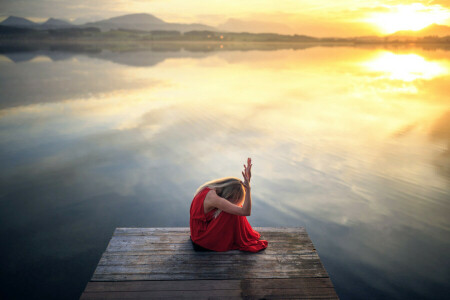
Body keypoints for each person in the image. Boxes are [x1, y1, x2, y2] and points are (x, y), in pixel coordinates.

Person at [189, 158, 268, 252]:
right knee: (235, 212)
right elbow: (245, 212)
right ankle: (240, 239)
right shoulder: (213, 199)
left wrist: (247, 182)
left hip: (198, 233)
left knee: (235, 209)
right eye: (235, 198)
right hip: (202, 240)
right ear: (230, 194)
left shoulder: (210, 190)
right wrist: (249, 189)